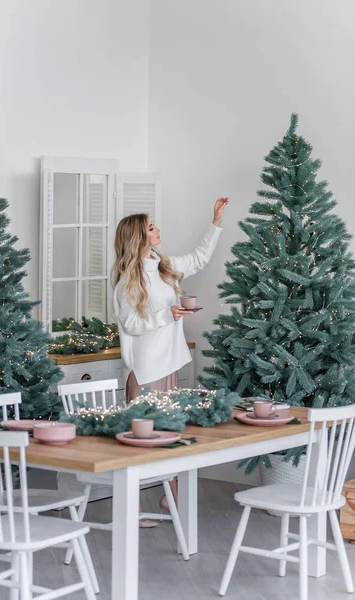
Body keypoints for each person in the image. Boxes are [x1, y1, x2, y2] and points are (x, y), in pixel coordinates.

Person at [112, 197, 229, 526]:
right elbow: (131, 325)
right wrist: (168, 314)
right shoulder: (128, 281)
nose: (158, 229)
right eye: (151, 227)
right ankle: (130, 508)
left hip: (169, 365)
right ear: (138, 236)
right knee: (141, 440)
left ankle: (171, 494)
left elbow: (199, 258)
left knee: (171, 431)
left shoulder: (162, 267)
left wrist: (216, 221)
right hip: (146, 370)